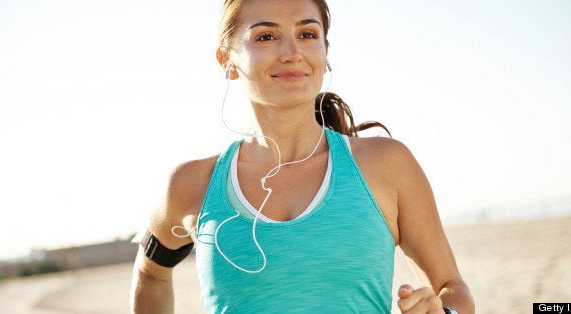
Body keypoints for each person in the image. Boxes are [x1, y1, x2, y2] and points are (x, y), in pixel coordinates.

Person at [131, 0, 475, 313]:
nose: (292, 53)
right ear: (227, 58)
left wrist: (444, 312)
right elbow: (151, 274)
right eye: (266, 37)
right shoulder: (191, 184)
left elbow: (453, 288)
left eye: (308, 33)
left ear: (325, 49)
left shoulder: (386, 164)